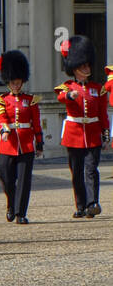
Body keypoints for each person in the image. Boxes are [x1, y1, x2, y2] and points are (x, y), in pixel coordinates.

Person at [55, 35, 107, 219]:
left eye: (87, 65)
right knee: (76, 171)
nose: (87, 68)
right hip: (74, 134)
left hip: (92, 134)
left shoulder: (97, 88)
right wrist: (70, 96)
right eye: (83, 66)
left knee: (91, 169)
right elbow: (61, 97)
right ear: (75, 68)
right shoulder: (67, 87)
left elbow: (102, 113)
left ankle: (93, 203)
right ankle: (81, 205)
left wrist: (105, 132)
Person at [0, 50, 42, 224]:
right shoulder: (1, 100)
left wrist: (40, 142)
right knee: (6, 177)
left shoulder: (30, 100)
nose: (16, 84)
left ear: (22, 81)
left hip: (27, 144)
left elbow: (36, 122)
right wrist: (4, 129)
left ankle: (21, 213)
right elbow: (0, 117)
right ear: (8, 82)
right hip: (8, 144)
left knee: (24, 180)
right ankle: (11, 204)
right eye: (13, 81)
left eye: (18, 81)